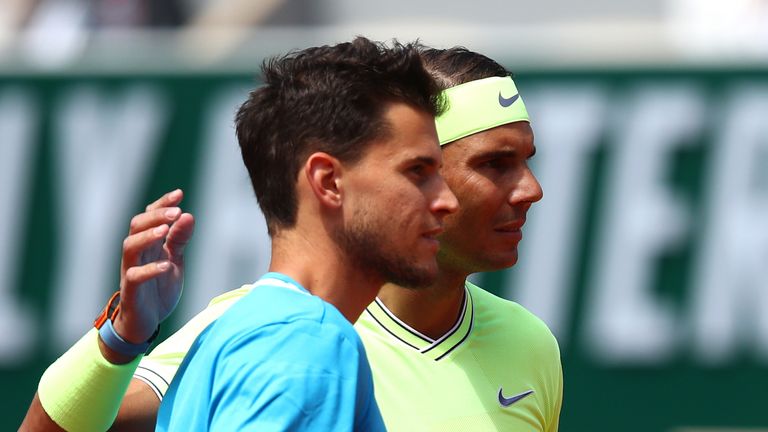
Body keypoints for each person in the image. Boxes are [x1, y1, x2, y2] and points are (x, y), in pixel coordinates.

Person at [21, 45, 563, 432]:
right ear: (330, 181)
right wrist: (120, 337)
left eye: (526, 162)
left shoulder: (530, 343)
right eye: (495, 164)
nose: (531, 191)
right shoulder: (296, 343)